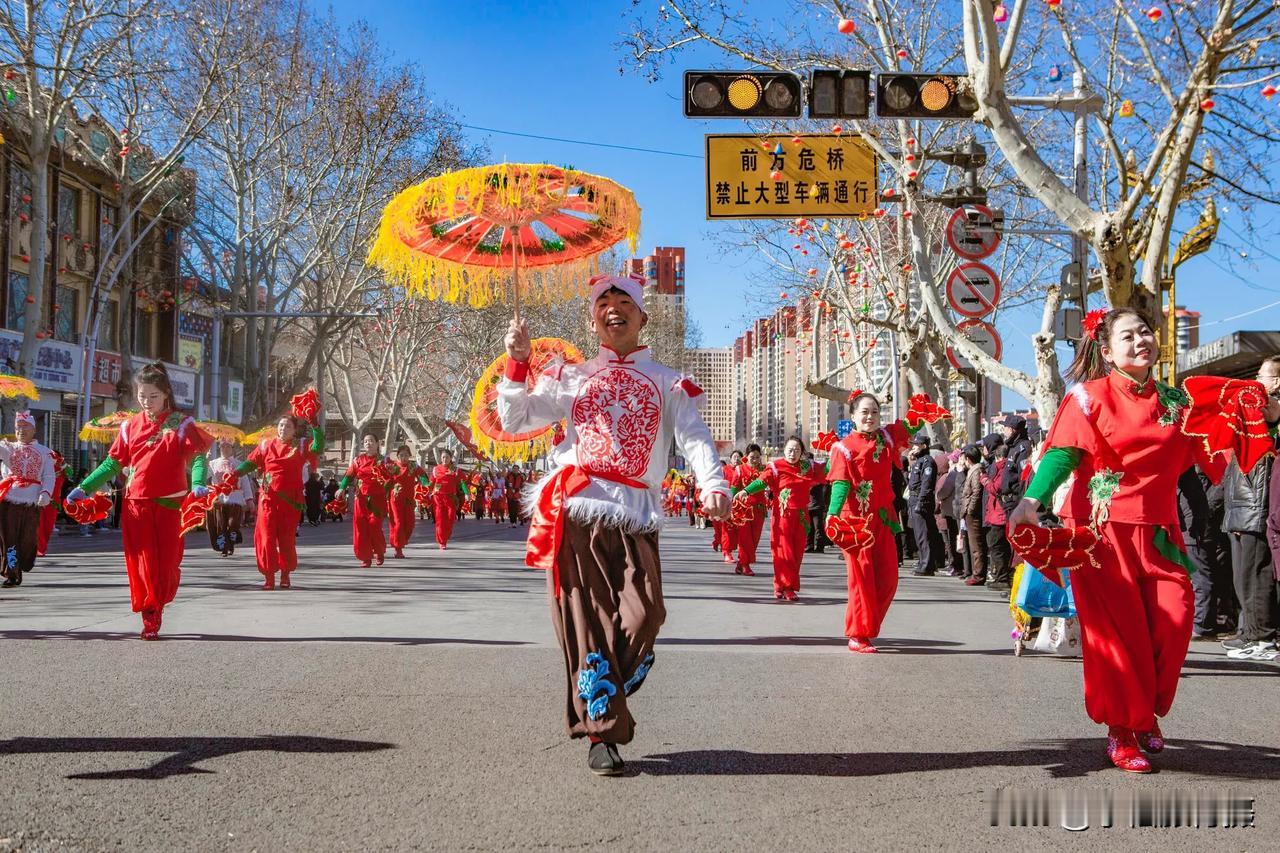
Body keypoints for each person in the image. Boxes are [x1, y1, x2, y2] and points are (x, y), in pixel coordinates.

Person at [1007, 308, 1280, 774]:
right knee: (1119, 638)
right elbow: (1063, 454)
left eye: (1146, 332)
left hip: (1159, 533)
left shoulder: (1178, 404)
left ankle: (1142, 711)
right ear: (1107, 350)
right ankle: (1123, 730)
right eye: (1127, 336)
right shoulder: (1088, 399)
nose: (1140, 341)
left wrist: (1265, 419)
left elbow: (1222, 444)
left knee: (1175, 621)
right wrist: (1032, 500)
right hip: (1100, 535)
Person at [497, 273, 730, 777]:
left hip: (637, 515)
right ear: (592, 319)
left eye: (625, 302)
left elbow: (695, 440)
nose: (614, 309)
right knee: (583, 625)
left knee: (646, 615)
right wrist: (518, 360)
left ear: (643, 317)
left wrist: (715, 484)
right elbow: (516, 420)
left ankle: (608, 689)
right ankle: (600, 732)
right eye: (604, 303)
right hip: (576, 509)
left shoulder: (669, 382)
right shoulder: (572, 377)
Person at [68, 363, 212, 638]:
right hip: (136, 505)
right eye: (142, 396)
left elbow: (197, 459)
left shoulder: (182, 424)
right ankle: (151, 616)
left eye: (153, 396)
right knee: (143, 565)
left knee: (168, 565)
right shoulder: (130, 426)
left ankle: (158, 601)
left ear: (166, 393)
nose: (147, 402)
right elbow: (112, 464)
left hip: (171, 506)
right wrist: (83, 488)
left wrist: (198, 484)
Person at [826, 392, 915, 653]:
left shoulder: (887, 438)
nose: (870, 416)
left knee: (889, 577)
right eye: (864, 411)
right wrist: (832, 515)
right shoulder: (843, 448)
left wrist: (922, 410)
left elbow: (911, 425)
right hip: (855, 523)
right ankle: (858, 633)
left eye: (874, 411)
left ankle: (867, 626)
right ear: (853, 416)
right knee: (861, 578)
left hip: (883, 519)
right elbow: (841, 485)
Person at [237, 414, 324, 587]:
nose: (283, 429)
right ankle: (269, 576)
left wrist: (315, 425)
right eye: (281, 425)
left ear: (295, 430)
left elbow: (318, 447)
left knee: (286, 538)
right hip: (267, 498)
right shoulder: (265, 445)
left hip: (290, 501)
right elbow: (250, 463)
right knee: (266, 537)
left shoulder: (300, 446)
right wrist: (233, 474)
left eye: (288, 426)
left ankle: (285, 574)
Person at [736, 436, 826, 600]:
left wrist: (838, 453)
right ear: (784, 451)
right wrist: (746, 491)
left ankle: (780, 585)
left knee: (797, 554)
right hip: (782, 516)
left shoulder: (808, 467)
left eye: (797, 450)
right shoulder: (776, 467)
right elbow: (761, 482)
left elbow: (828, 471)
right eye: (790, 450)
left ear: (802, 452)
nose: (793, 453)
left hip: (801, 517)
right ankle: (787, 587)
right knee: (784, 553)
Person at [1221, 444, 1277, 660]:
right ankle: (1250, 633)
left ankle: (1262, 637)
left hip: (1253, 513)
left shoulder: (1261, 441)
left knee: (1255, 578)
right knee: (1243, 579)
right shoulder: (1242, 442)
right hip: (1243, 512)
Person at [1178, 466, 1235, 640]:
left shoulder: (1207, 455)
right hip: (1189, 518)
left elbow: (1221, 482)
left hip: (1197, 521)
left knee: (1200, 572)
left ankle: (1202, 624)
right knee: (1198, 571)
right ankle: (1205, 621)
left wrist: (1205, 508)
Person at [0, 411, 56, 587]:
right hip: (9, 500)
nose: (21, 431)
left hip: (32, 502)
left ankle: (22, 563)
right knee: (8, 539)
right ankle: (12, 572)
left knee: (27, 539)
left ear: (34, 430)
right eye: (18, 428)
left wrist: (46, 493)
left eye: (25, 428)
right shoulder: (9, 448)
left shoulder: (45, 453)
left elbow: (49, 476)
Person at [338, 434, 390, 567]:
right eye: (366, 441)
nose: (368, 443)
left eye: (371, 441)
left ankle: (379, 551)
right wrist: (342, 488)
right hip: (360, 498)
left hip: (377, 500)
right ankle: (365, 557)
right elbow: (349, 475)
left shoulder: (384, 460)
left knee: (374, 526)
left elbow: (393, 475)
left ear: (377, 444)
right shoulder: (358, 460)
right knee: (361, 528)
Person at [207, 440, 253, 557]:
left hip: (235, 499)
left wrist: (249, 500)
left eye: (228, 446)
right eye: (223, 446)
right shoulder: (212, 463)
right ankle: (225, 548)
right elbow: (204, 476)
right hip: (219, 500)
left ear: (232, 448)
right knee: (221, 525)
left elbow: (245, 483)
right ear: (219, 448)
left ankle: (231, 542)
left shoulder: (238, 464)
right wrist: (205, 461)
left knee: (233, 524)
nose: (225, 448)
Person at [906, 434, 939, 576]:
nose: (913, 447)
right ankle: (922, 561)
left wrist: (921, 502)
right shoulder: (918, 461)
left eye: (916, 445)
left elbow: (926, 484)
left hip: (921, 500)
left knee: (923, 534)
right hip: (913, 499)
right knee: (918, 534)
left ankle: (927, 564)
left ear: (924, 446)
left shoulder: (928, 461)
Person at [387, 445, 427, 558]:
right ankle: (398, 549)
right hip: (395, 498)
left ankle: (400, 541)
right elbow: (384, 480)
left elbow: (423, 475)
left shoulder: (413, 466)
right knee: (398, 523)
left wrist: (426, 484)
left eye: (406, 455)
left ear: (410, 456)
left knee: (410, 524)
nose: (404, 457)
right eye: (401, 455)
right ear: (398, 456)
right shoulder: (393, 466)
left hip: (409, 500)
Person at [733, 444, 767, 576]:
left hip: (759, 509)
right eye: (752, 457)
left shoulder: (764, 470)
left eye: (758, 457)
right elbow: (734, 488)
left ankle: (740, 564)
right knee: (745, 538)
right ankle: (745, 565)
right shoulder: (740, 469)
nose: (755, 460)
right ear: (746, 457)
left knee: (754, 538)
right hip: (743, 510)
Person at [959, 445, 988, 585]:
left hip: (972, 513)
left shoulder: (976, 470)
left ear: (968, 459)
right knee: (972, 544)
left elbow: (976, 492)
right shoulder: (972, 470)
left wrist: (970, 510)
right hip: (968, 511)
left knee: (976, 544)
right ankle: (975, 572)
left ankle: (979, 574)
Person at [429, 449, 467, 549]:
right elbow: (430, 483)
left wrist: (467, 493)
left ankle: (445, 536)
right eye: (443, 457)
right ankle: (442, 542)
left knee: (450, 519)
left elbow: (463, 482)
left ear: (450, 458)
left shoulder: (456, 470)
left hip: (451, 498)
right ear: (440, 459)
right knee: (440, 520)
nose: (445, 459)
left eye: (447, 457)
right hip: (438, 498)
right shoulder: (435, 469)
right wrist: (427, 491)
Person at [36, 448, 68, 557]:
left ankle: (42, 547)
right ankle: (39, 548)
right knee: (39, 525)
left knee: (48, 526)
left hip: (54, 502)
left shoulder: (63, 470)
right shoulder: (42, 468)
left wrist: (63, 465)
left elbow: (70, 474)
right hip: (40, 499)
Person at [937, 449, 963, 576]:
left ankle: (955, 565)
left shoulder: (953, 474)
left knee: (953, 539)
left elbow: (944, 491)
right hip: (955, 510)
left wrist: (938, 496)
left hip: (951, 510)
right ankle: (958, 565)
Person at [806, 452, 829, 554]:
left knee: (815, 527)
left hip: (814, 505)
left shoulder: (816, 473)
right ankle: (815, 546)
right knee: (815, 527)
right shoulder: (818, 474)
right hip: (815, 504)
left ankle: (814, 546)